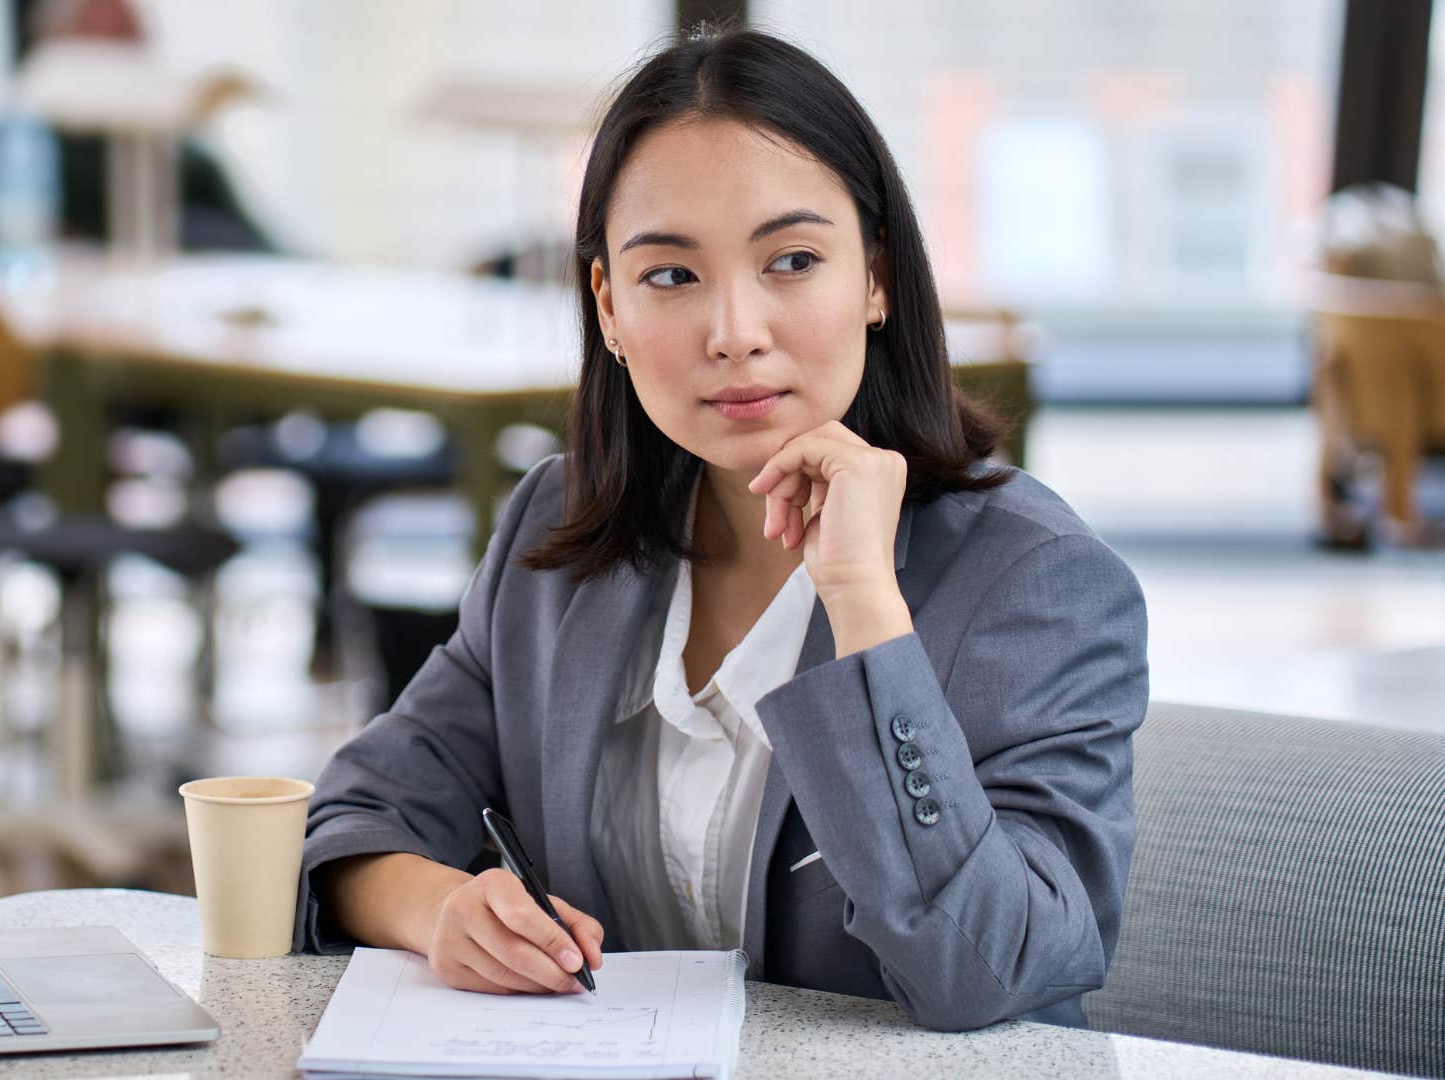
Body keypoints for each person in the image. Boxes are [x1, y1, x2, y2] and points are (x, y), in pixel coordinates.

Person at [297, 27, 1148, 1033]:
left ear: (875, 278)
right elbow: (352, 824)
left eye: (792, 260)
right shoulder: (559, 531)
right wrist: (440, 910)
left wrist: (866, 609)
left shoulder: (1037, 579)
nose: (734, 331)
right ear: (607, 306)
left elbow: (988, 971)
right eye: (671, 275)